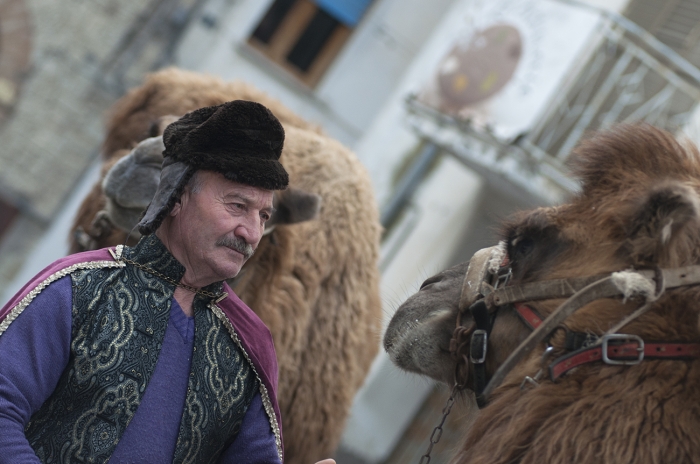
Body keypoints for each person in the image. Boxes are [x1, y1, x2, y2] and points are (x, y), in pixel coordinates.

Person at [0, 101, 335, 463]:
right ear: (175, 197)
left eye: (263, 215)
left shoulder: (249, 346)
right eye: (237, 206)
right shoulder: (77, 290)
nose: (252, 232)